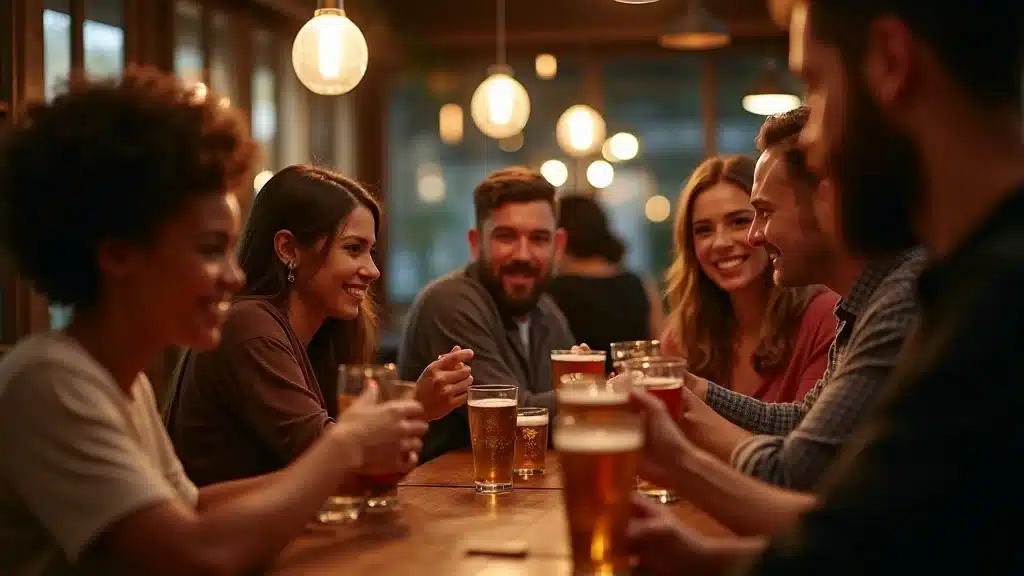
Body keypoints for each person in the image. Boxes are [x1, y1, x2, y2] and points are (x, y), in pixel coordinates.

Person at [626, 0, 1024, 573]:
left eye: (814, 89)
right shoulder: (963, 284)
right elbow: (872, 535)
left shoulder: (993, 304)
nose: (811, 142)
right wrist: (695, 553)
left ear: (890, 62)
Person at [0, 68, 427, 574]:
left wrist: (347, 468)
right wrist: (343, 448)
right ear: (117, 255)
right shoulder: (49, 382)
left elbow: (192, 506)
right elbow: (196, 553)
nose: (233, 276)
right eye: (209, 250)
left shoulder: (120, 380)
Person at [165, 165, 472, 486]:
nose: (372, 270)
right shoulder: (249, 326)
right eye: (353, 249)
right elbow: (331, 459)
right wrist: (415, 406)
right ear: (288, 249)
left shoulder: (326, 335)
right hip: (229, 533)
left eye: (371, 252)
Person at [678, 107, 926, 491]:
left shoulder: (902, 301)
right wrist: (695, 390)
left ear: (826, 203)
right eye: (703, 230)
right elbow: (801, 423)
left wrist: (682, 429)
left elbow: (794, 473)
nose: (755, 236)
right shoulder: (863, 304)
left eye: (761, 213)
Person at [398, 166, 575, 462]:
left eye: (539, 239)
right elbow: (509, 418)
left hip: (522, 498)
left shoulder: (547, 312)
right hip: (442, 499)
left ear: (558, 246)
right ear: (475, 243)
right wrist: (603, 394)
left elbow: (565, 424)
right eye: (506, 237)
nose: (523, 255)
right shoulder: (450, 302)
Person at [663, 155, 838, 403]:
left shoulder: (825, 316)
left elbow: (803, 440)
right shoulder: (683, 335)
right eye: (704, 230)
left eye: (739, 222)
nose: (721, 242)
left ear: (770, 224)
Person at [549, 194, 665, 373]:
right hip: (635, 392)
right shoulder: (639, 284)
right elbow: (659, 350)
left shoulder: (551, 293)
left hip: (580, 394)